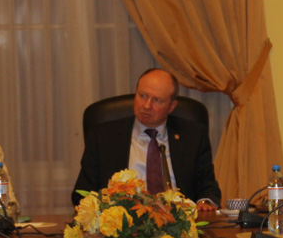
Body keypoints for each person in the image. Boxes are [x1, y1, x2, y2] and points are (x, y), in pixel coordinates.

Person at [73, 68, 221, 210]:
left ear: (172, 106)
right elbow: (83, 193)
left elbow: (207, 186)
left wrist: (205, 202)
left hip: (179, 220)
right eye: (142, 96)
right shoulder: (103, 136)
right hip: (123, 222)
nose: (146, 105)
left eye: (157, 100)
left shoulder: (193, 135)